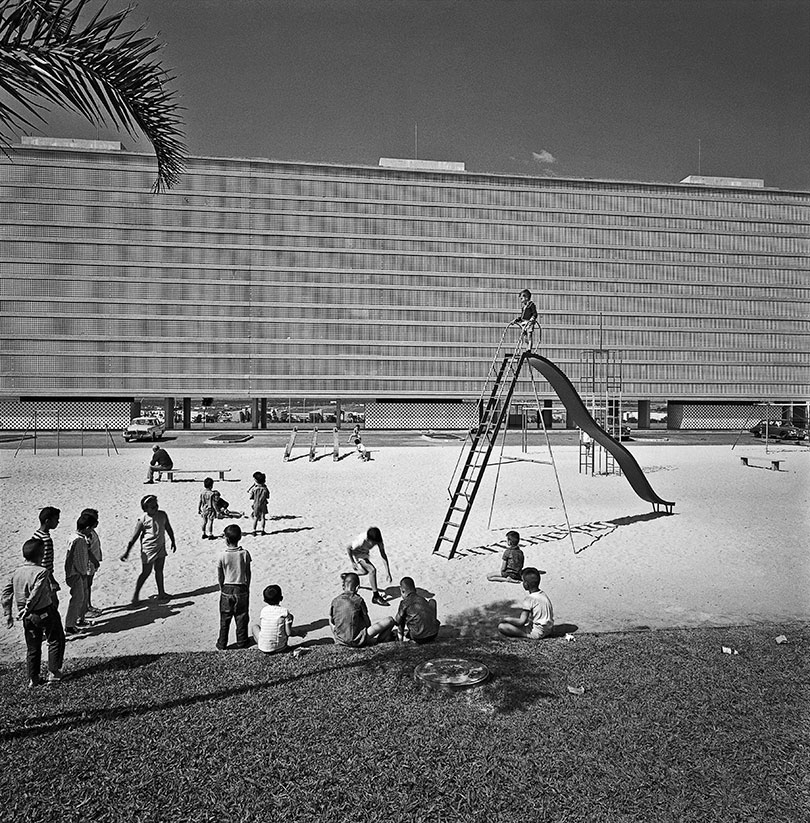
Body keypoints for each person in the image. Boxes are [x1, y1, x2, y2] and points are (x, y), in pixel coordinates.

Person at [2, 537, 66, 687]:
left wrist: (8, 613)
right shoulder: (42, 572)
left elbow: (6, 594)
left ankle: (33, 678)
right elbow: (36, 593)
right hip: (43, 611)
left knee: (33, 646)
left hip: (27, 616)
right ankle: (54, 673)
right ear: (41, 555)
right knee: (55, 639)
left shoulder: (16, 572)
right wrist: (28, 607)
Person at [120, 494, 176, 604]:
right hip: (148, 549)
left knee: (159, 570)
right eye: (152, 507)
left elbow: (168, 528)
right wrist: (127, 552)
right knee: (146, 572)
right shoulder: (142, 520)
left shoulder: (162, 515)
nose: (156, 508)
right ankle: (135, 596)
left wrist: (173, 540)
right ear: (145, 509)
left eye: (156, 505)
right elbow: (134, 537)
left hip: (160, 546)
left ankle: (161, 593)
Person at [330, 572, 394, 647]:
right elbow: (367, 622)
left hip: (340, 639)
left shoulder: (335, 601)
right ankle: (377, 641)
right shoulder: (359, 600)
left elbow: (332, 621)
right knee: (390, 620)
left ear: (343, 586)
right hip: (357, 639)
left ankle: (339, 639)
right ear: (357, 587)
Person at [216, 524, 252, 649]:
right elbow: (248, 572)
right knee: (242, 617)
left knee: (225, 618)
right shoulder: (244, 553)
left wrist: (221, 587)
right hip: (241, 587)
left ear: (226, 539)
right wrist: (247, 586)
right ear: (240, 537)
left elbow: (220, 574)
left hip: (227, 587)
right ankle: (242, 641)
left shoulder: (222, 555)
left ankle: (222, 643)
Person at [497, 567, 554, 639]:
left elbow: (521, 621)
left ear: (526, 584)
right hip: (548, 629)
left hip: (537, 632)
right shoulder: (543, 594)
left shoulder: (529, 599)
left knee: (502, 626)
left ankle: (526, 635)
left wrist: (506, 619)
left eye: (523, 581)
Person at [64, 512, 94, 636]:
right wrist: (83, 574)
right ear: (87, 528)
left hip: (72, 573)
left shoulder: (73, 536)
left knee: (78, 598)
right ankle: (70, 626)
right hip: (76, 574)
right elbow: (80, 561)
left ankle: (74, 623)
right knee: (77, 599)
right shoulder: (80, 541)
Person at [345, 527, 391, 606]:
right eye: (372, 543)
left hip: (365, 553)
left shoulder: (378, 540)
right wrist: (352, 562)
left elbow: (383, 555)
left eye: (375, 543)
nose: (373, 545)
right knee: (372, 570)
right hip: (357, 553)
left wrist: (388, 572)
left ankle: (347, 576)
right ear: (368, 539)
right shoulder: (360, 541)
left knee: (365, 572)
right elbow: (348, 548)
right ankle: (375, 596)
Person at [393, 576, 439, 644]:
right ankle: (430, 625)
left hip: (418, 637)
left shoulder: (404, 603)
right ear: (415, 589)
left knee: (401, 616)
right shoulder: (422, 599)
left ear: (402, 590)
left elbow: (397, 621)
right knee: (432, 602)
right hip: (434, 634)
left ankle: (400, 639)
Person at [252, 584, 295, 654]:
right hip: (280, 648)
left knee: (255, 627)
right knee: (289, 618)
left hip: (263, 648)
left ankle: (264, 644)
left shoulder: (263, 611)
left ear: (264, 600)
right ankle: (282, 644)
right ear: (281, 598)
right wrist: (298, 633)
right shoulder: (284, 611)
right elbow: (289, 633)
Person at [33, 506, 61, 606]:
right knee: (53, 603)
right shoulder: (46, 540)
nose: (58, 522)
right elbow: (46, 564)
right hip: (45, 577)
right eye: (56, 519)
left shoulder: (36, 534)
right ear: (48, 521)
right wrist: (52, 581)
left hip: (36, 574)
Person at [82, 508, 103, 617]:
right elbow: (88, 551)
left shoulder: (91, 532)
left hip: (92, 563)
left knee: (88, 585)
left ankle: (88, 605)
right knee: (86, 586)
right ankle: (85, 609)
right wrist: (95, 561)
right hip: (89, 563)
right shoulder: (87, 535)